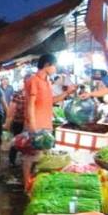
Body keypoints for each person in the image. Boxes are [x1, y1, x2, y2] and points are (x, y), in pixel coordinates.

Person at [24, 54, 76, 190]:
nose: (55, 68)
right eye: (55, 65)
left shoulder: (47, 81)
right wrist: (33, 128)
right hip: (36, 125)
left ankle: (36, 184)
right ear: (47, 65)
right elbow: (30, 105)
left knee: (43, 157)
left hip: (46, 124)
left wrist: (67, 93)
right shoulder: (33, 81)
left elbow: (50, 101)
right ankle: (26, 185)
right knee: (32, 156)